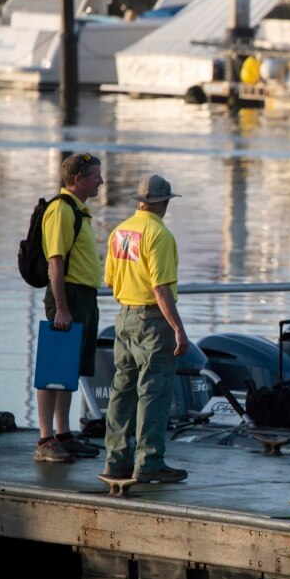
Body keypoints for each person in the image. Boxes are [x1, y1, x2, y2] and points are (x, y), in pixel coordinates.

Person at [102, 174, 190, 483]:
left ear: (139, 201)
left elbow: (110, 281)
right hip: (152, 321)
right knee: (153, 391)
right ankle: (150, 461)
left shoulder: (120, 231)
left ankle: (115, 460)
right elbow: (161, 288)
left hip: (123, 317)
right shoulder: (158, 234)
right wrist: (177, 328)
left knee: (122, 390)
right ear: (163, 202)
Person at [35, 153, 104, 463]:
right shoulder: (62, 211)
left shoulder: (79, 211)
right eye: (95, 176)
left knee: (70, 368)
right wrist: (62, 307)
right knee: (54, 368)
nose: (101, 181)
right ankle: (45, 438)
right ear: (78, 179)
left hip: (84, 297)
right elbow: (56, 261)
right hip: (69, 297)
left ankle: (63, 434)